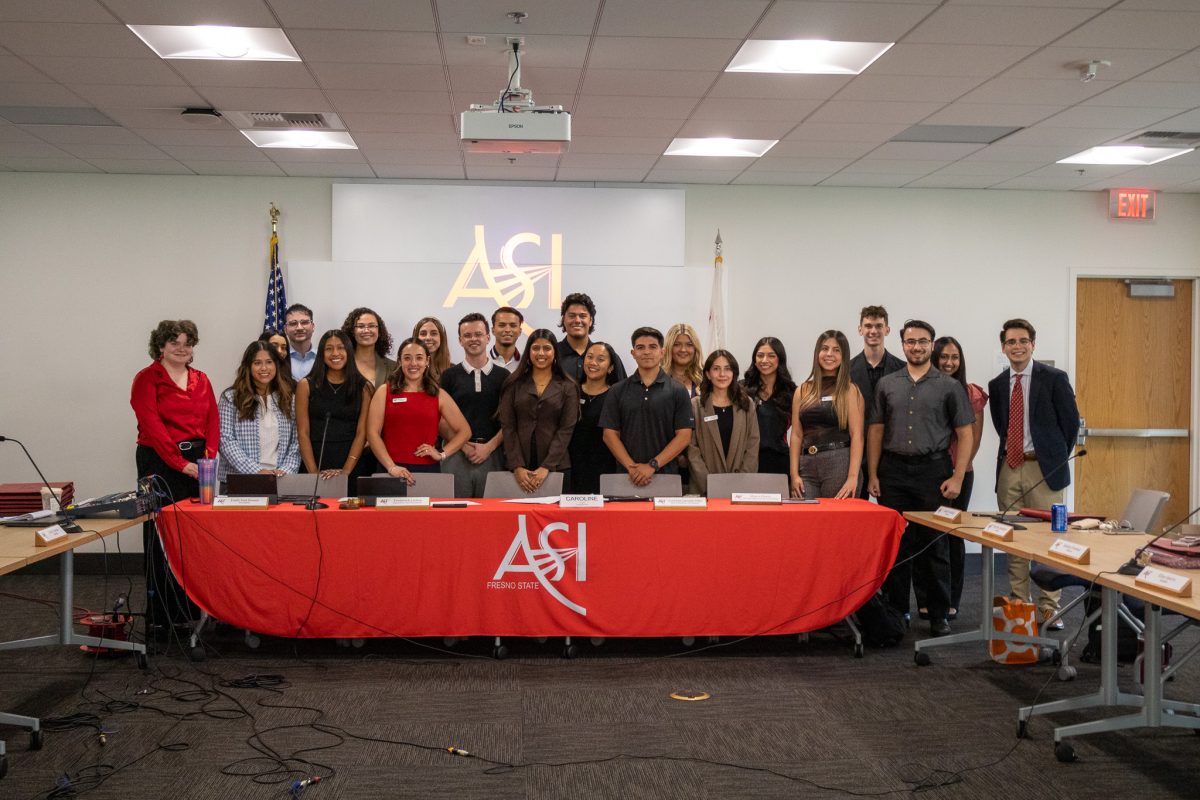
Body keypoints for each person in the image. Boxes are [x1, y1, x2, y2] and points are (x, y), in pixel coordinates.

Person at [866, 320, 974, 637]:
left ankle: (939, 614)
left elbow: (965, 434)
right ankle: (897, 611)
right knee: (896, 546)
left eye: (923, 342)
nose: (917, 347)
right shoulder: (887, 384)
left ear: (931, 344)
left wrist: (957, 477)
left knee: (935, 546)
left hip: (934, 472)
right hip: (894, 472)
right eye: (911, 341)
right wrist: (873, 473)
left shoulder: (949, 386)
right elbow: (876, 431)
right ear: (902, 344)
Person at [988, 318, 1080, 631]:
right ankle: (1020, 602)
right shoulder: (998, 385)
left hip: (1045, 469)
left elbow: (1069, 424)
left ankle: (1049, 609)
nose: (1017, 346)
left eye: (1023, 341)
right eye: (1011, 342)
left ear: (1033, 344)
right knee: (1012, 539)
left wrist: (1051, 456)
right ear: (1003, 347)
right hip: (1010, 467)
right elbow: (1002, 426)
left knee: (1050, 539)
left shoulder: (1054, 378)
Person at [130, 319, 218, 638]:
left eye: (187, 343)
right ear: (161, 346)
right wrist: (180, 464)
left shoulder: (201, 378)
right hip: (158, 462)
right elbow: (152, 426)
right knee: (159, 538)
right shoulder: (146, 379)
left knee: (190, 537)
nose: (181, 348)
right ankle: (160, 617)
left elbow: (212, 420)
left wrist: (206, 458)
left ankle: (188, 612)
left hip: (196, 463)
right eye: (174, 342)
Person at [913, 336, 988, 621]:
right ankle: (925, 599)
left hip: (957, 474)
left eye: (954, 357)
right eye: (943, 357)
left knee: (951, 536)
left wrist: (957, 474)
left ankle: (951, 599)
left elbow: (975, 438)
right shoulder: (924, 388)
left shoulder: (971, 393)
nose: (948, 362)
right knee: (923, 535)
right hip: (928, 471)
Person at [600, 327, 694, 488]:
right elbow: (609, 435)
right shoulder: (617, 390)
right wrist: (632, 468)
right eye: (640, 347)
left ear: (662, 352)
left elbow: (684, 436)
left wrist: (652, 466)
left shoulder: (678, 390)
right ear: (633, 353)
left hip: (666, 477)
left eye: (652, 347)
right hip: (626, 477)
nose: (646, 352)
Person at [367, 338, 470, 482]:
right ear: (400, 361)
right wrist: (392, 467)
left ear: (427, 361)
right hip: (391, 470)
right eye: (407, 358)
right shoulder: (384, 392)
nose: (413, 363)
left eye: (419, 358)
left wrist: (442, 454)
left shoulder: (438, 395)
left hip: (428, 471)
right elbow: (372, 433)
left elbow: (465, 431)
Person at [497, 329, 580, 493]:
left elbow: (566, 430)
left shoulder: (568, 387)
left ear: (555, 352)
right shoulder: (513, 384)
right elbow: (508, 427)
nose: (541, 353)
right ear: (528, 352)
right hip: (519, 469)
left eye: (547, 348)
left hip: (557, 466)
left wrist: (547, 466)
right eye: (535, 348)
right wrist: (517, 466)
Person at [789, 330, 864, 500]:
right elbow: (796, 435)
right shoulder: (802, 390)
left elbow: (857, 435)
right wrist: (794, 474)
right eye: (825, 349)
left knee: (834, 523)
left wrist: (852, 477)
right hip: (806, 465)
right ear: (817, 353)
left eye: (837, 350)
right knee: (805, 521)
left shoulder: (850, 390)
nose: (829, 354)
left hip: (839, 463)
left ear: (843, 357)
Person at [440, 313, 508, 497]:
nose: (473, 339)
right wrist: (462, 445)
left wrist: (489, 447)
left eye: (478, 334)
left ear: (488, 337)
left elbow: (510, 420)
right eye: (467, 335)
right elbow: (440, 419)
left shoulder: (504, 377)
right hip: (456, 454)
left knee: (491, 518)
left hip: (493, 455)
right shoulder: (448, 376)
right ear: (460, 340)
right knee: (454, 515)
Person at [296, 329, 372, 488]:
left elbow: (362, 433)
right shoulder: (306, 385)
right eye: (329, 349)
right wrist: (313, 472)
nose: (335, 353)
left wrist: (345, 472)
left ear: (349, 351)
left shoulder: (363, 387)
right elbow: (302, 432)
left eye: (341, 347)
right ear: (321, 354)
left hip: (352, 462)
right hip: (315, 459)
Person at [217, 341, 300, 482]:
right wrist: (256, 471)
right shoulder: (231, 398)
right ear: (248, 366)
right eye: (257, 363)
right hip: (239, 480)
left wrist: (284, 471)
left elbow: (296, 442)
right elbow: (224, 440)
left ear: (276, 365)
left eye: (269, 362)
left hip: (279, 479)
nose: (264, 368)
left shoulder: (288, 398)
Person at [687, 350, 759, 495]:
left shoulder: (746, 404)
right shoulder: (695, 405)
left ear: (734, 373)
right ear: (708, 374)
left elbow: (753, 444)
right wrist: (710, 484)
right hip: (704, 489)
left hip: (740, 488)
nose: (722, 374)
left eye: (727, 369)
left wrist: (741, 481)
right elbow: (692, 448)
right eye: (716, 369)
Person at [567, 342, 620, 493]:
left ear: (611, 367)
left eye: (601, 359)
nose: (593, 363)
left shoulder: (616, 395)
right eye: (589, 357)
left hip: (606, 469)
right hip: (572, 467)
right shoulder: (570, 391)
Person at [741, 336, 796, 477]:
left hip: (779, 463)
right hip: (746, 463)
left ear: (780, 359)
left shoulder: (791, 392)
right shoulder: (741, 389)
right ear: (754, 359)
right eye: (760, 355)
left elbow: (798, 433)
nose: (765, 360)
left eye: (771, 356)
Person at [555, 292, 628, 383]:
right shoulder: (552, 354)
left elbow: (623, 391)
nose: (577, 320)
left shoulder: (608, 355)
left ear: (590, 321)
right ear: (563, 320)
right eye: (572, 316)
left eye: (583, 316)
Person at [849, 305, 905, 417]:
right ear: (860, 330)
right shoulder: (846, 370)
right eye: (868, 326)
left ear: (887, 330)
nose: (873, 331)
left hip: (892, 433)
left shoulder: (903, 369)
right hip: (857, 433)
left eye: (879, 326)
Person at [342, 307, 395, 390]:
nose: (366, 330)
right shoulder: (341, 364)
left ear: (379, 331)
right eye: (361, 326)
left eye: (371, 326)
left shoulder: (393, 367)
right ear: (352, 331)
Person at [284, 303, 317, 380]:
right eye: (293, 323)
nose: (299, 328)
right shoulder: (280, 358)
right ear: (285, 329)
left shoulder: (323, 357)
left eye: (304, 322)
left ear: (313, 326)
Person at [490, 306, 523, 372]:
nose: (507, 330)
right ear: (493, 330)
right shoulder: (482, 361)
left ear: (520, 331)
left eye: (513, 325)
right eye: (502, 325)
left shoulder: (526, 363)